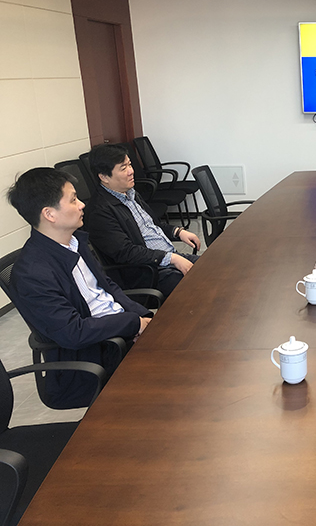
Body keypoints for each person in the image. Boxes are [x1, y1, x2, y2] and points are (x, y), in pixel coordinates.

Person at [7, 168, 153, 408]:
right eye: (73, 199)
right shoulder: (32, 273)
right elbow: (73, 332)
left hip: (118, 332)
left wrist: (143, 317)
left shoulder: (75, 242)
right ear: (49, 214)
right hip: (95, 354)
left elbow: (108, 287)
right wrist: (132, 324)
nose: (82, 204)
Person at [85, 144, 201, 298]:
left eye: (130, 165)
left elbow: (153, 225)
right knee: (202, 284)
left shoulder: (130, 193)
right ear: (104, 177)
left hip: (165, 260)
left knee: (213, 265)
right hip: (147, 273)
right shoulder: (100, 212)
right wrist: (172, 259)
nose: (131, 171)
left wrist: (178, 232)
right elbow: (126, 252)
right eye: (123, 168)